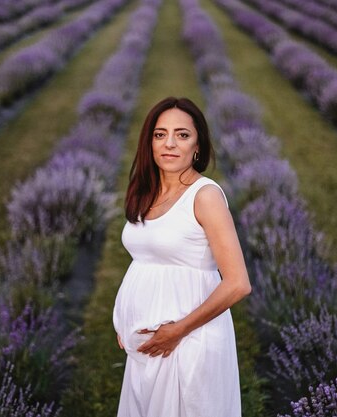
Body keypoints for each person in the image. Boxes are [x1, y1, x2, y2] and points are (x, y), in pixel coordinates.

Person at [112, 96, 252, 417]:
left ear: (198, 146)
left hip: (188, 341)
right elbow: (145, 261)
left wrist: (178, 331)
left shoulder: (205, 196)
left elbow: (238, 284)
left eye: (182, 135)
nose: (170, 144)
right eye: (160, 134)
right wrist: (126, 320)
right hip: (148, 350)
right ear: (149, 143)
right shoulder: (146, 191)